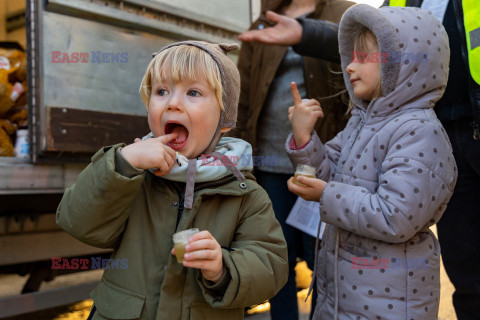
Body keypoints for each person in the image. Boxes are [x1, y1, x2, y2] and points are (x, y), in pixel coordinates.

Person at [56, 41, 288, 320]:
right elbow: (77, 222)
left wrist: (223, 267)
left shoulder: (245, 194)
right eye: (161, 91)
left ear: (224, 119)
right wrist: (122, 164)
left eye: (193, 92)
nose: (173, 103)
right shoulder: (132, 175)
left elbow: (272, 266)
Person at [285, 5, 457, 319]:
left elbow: (396, 216)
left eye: (363, 58)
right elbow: (328, 172)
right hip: (342, 294)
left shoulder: (419, 132)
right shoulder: (360, 122)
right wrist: (303, 138)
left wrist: (324, 194)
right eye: (350, 57)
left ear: (403, 64)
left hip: (389, 302)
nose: (349, 67)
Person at [235, 1, 354, 319]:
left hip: (322, 161)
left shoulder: (344, 13)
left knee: (323, 260)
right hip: (269, 163)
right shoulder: (264, 21)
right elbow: (243, 98)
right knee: (277, 259)